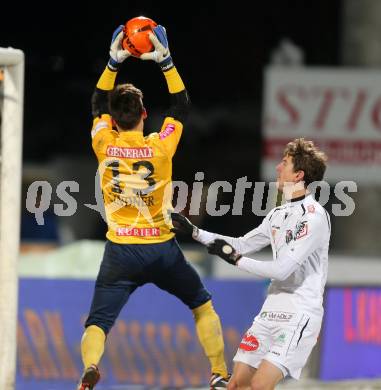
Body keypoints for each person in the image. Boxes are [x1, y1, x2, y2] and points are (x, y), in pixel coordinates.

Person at [77, 24, 230, 390]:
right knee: (202, 306)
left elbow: (97, 100)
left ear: (113, 121)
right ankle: (219, 374)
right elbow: (181, 105)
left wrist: (114, 62)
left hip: (120, 251)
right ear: (145, 113)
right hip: (161, 248)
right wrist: (166, 63)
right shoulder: (161, 146)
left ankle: (90, 367)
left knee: (97, 323)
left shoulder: (104, 142)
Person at [172, 138, 330, 390]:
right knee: (236, 385)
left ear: (298, 174)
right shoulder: (278, 213)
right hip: (270, 311)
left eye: (285, 163)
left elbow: (281, 269)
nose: (278, 167)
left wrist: (235, 260)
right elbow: (242, 244)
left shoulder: (314, 217)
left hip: (300, 314)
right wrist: (194, 232)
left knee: (258, 386)